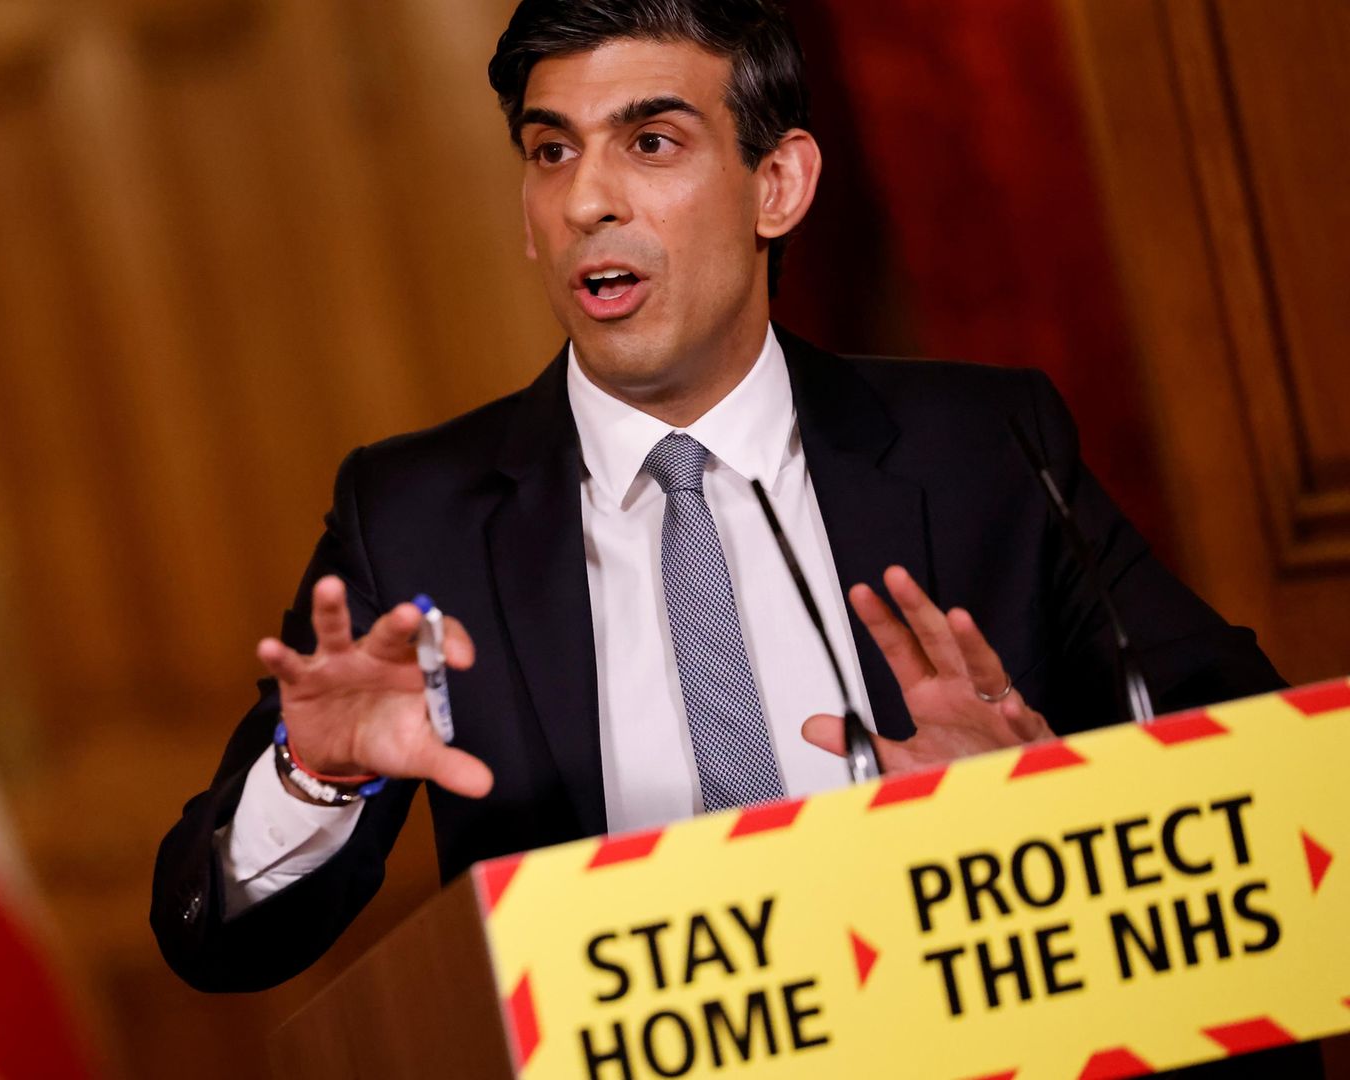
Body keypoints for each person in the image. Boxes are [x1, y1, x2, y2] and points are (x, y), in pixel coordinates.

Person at [152, 6, 1308, 1071]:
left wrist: (1043, 797)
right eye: (552, 152)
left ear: (779, 184)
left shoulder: (981, 448)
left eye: (649, 143)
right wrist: (319, 775)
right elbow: (214, 937)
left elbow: (1255, 763)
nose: (587, 200)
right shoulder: (419, 519)